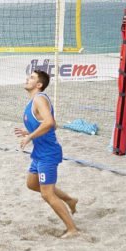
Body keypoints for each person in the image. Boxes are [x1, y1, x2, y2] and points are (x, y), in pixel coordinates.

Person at [13, 70, 78, 238]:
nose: (28, 78)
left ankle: (72, 229)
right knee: (32, 184)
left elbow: (49, 123)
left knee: (47, 193)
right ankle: (70, 200)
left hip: (48, 153)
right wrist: (29, 130)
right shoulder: (34, 101)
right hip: (39, 152)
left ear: (39, 84)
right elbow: (53, 124)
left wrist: (30, 137)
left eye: (32, 78)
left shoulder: (39, 99)